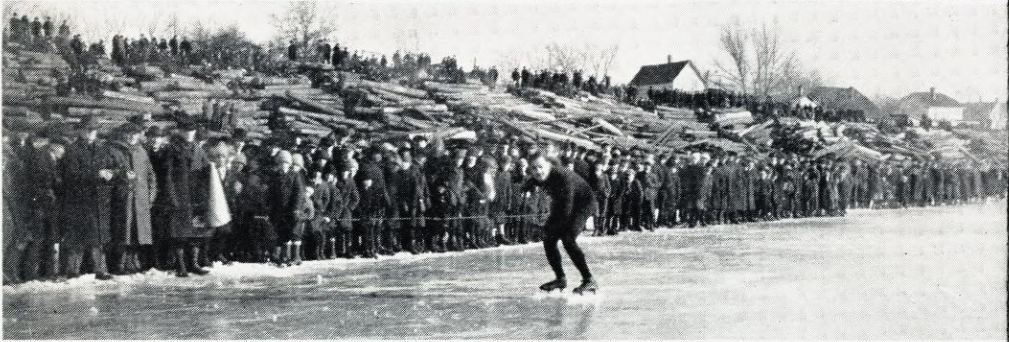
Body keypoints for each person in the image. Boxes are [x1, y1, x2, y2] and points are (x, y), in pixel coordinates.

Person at [525, 152, 598, 294]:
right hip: (563, 204)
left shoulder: (563, 177)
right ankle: (560, 279)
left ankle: (589, 279)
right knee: (549, 239)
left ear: (549, 165)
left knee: (568, 238)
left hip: (583, 204)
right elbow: (532, 181)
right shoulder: (539, 176)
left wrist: (550, 226)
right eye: (534, 169)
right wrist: (525, 187)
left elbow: (566, 211)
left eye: (540, 167)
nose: (538, 171)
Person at [60, 118, 117, 280]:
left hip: (99, 199)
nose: (91, 133)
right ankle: (72, 271)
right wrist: (96, 174)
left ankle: (101, 270)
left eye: (94, 130)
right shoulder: (72, 150)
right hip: (79, 200)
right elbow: (71, 176)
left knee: (98, 237)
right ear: (80, 131)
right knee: (77, 237)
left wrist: (112, 174)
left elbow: (110, 166)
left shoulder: (101, 149)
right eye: (88, 129)